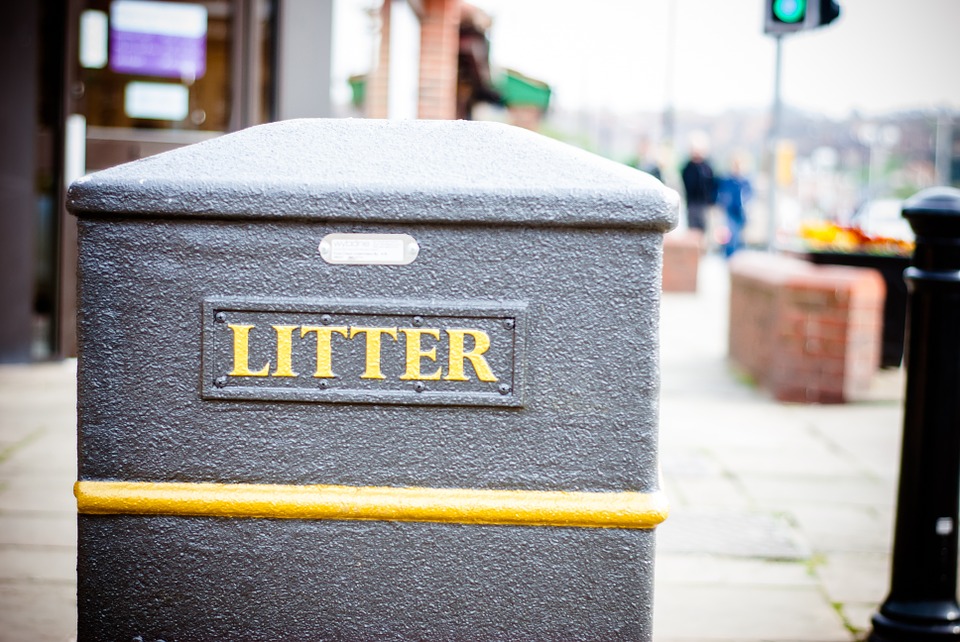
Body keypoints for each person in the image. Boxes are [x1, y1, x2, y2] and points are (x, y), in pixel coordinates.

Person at [716, 155, 753, 258]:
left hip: (741, 212)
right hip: (730, 211)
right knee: (730, 236)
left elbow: (749, 196)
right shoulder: (728, 180)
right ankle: (730, 257)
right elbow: (722, 194)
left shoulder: (745, 181)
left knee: (741, 237)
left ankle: (739, 258)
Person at [680, 134, 716, 233]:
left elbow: (711, 185)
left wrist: (711, 202)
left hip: (704, 204)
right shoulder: (688, 167)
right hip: (692, 203)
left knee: (704, 229)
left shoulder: (707, 167)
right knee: (692, 229)